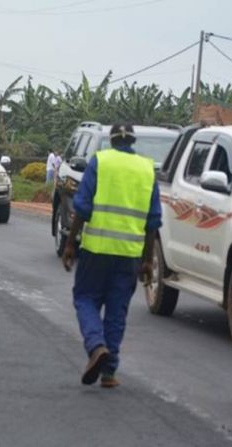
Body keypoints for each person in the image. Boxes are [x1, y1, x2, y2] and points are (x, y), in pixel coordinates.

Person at [62, 124, 161, 388]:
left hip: (96, 249)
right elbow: (153, 222)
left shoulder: (100, 162)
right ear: (133, 141)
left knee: (85, 298)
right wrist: (147, 260)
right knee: (117, 312)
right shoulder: (146, 169)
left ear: (111, 141)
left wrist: (70, 244)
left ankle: (96, 347)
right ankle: (109, 372)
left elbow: (82, 208)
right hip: (129, 254)